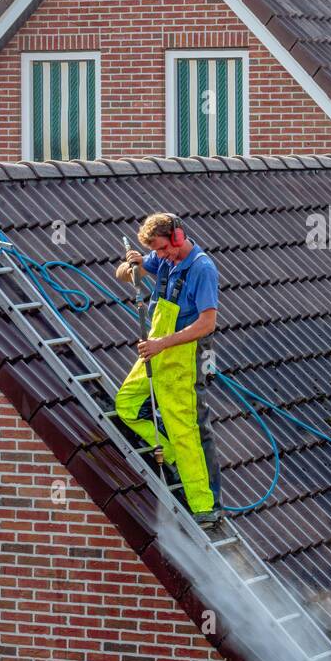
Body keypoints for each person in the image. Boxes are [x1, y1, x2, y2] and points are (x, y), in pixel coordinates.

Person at [113, 213, 222, 528]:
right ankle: (172, 455)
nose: (160, 257)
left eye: (162, 249)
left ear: (177, 237)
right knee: (128, 405)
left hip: (182, 358)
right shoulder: (164, 259)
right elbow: (122, 274)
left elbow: (207, 323)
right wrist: (133, 264)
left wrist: (163, 343)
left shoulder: (202, 268)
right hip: (157, 352)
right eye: (155, 252)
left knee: (187, 431)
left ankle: (205, 507)